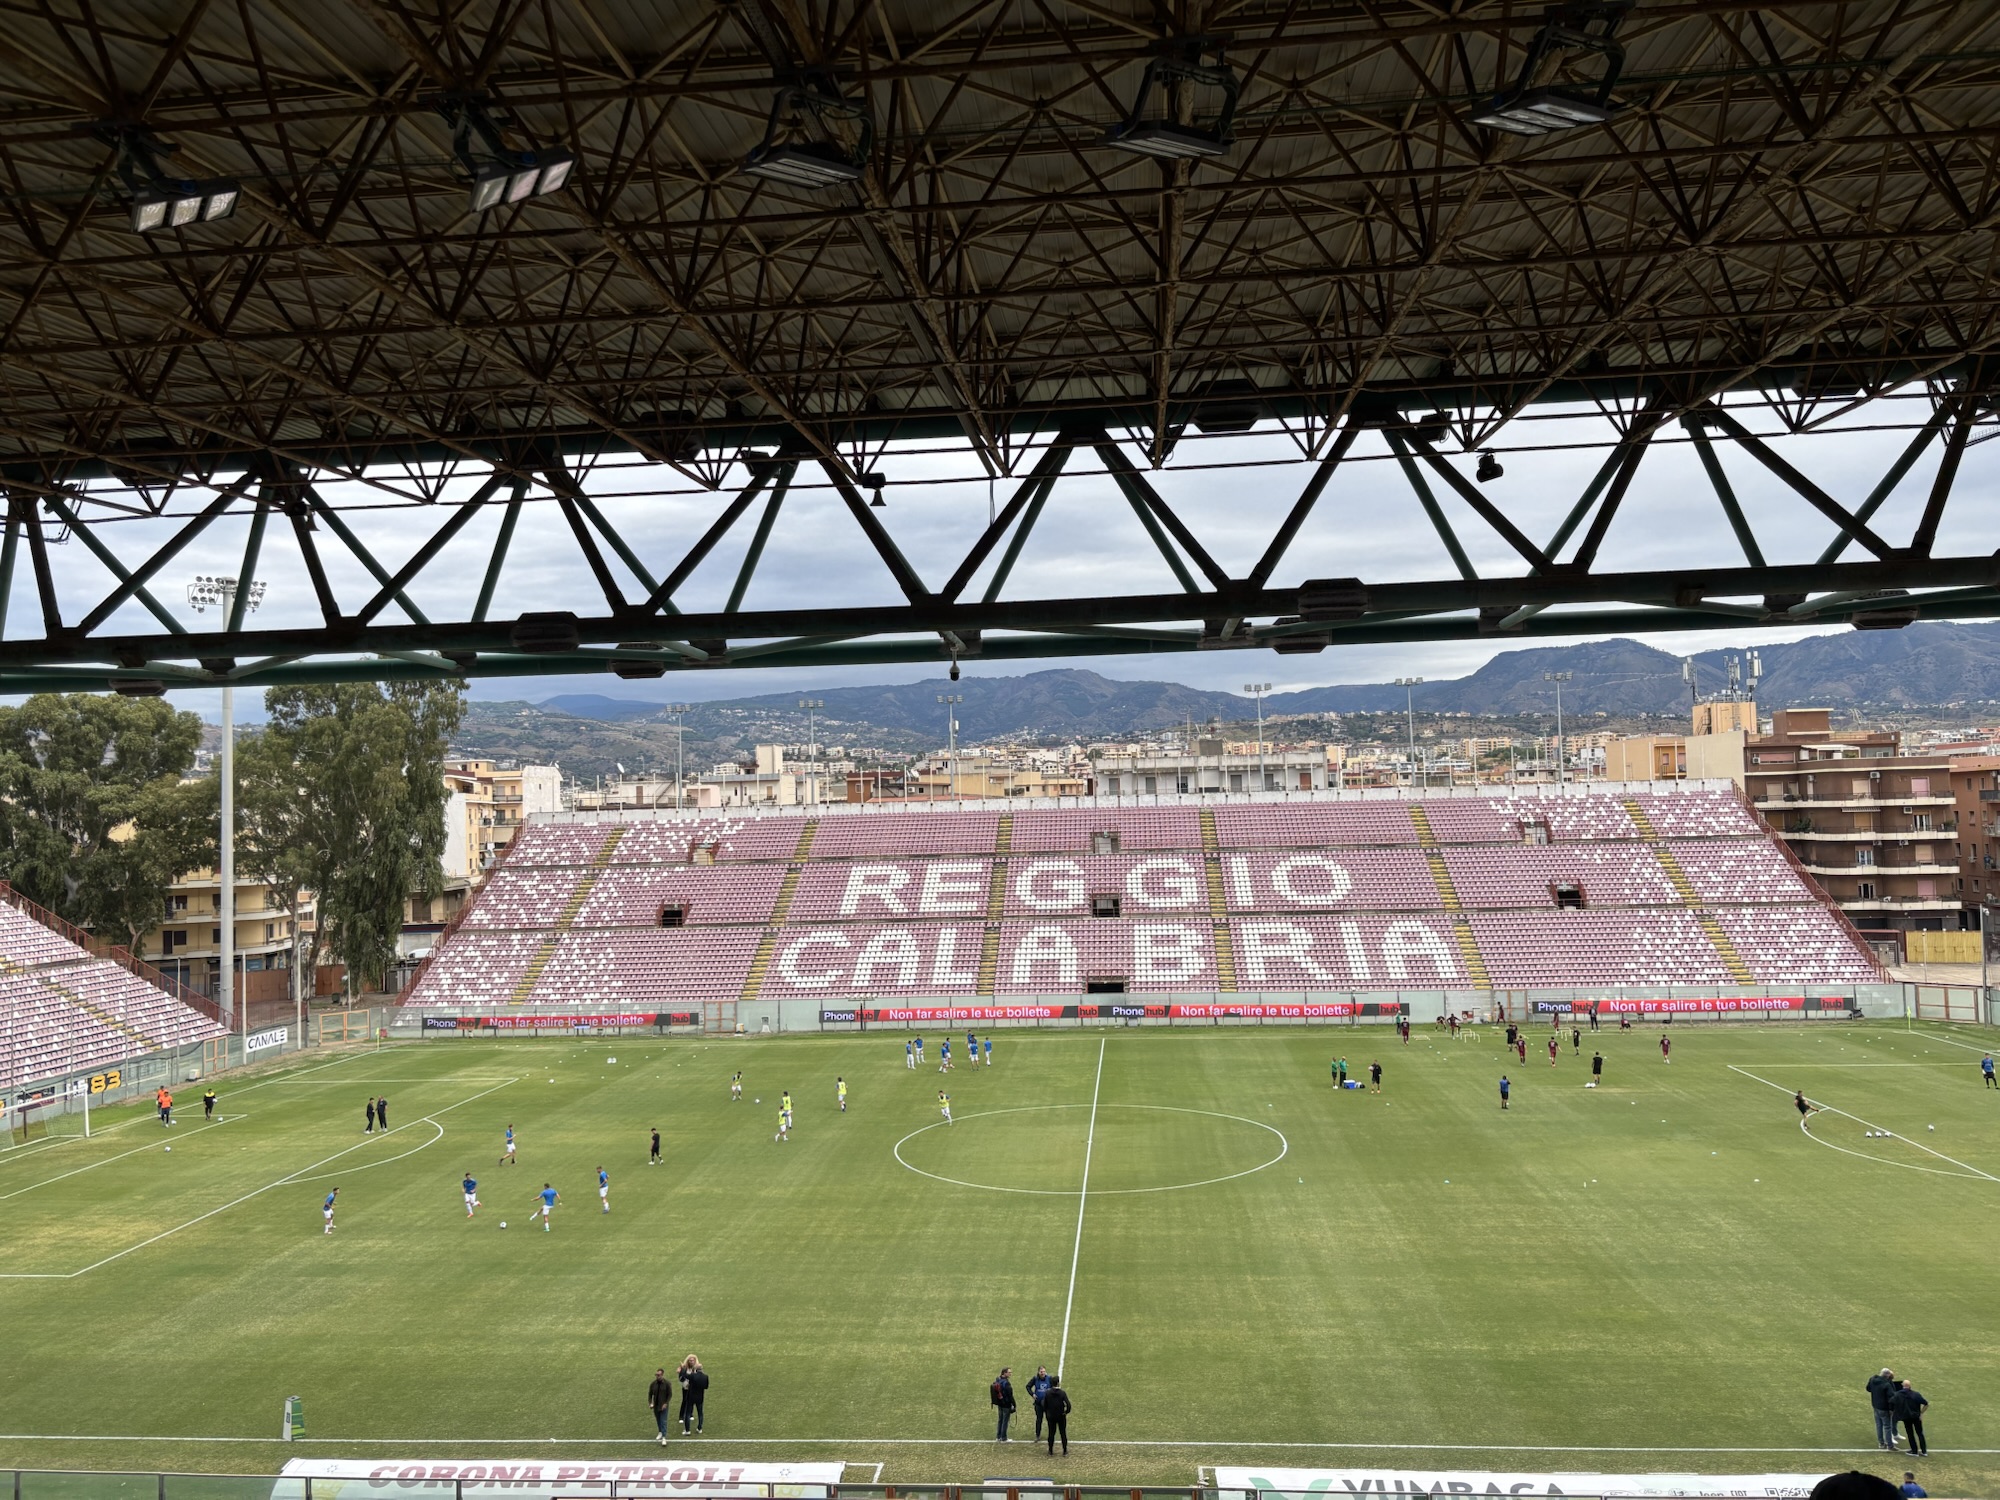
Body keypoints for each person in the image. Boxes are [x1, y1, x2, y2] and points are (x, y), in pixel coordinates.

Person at [1891, 1379, 1928, 1456]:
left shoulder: (1898, 1394)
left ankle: (1914, 1451)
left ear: (1902, 1386)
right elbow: (1926, 1404)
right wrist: (1921, 1413)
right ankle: (1924, 1451)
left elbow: (1891, 1402)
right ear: (1910, 1386)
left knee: (1910, 1434)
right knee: (1920, 1433)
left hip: (1906, 1417)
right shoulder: (1916, 1394)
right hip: (1916, 1417)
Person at [1868, 1369, 1900, 1451]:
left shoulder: (1872, 1379)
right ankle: (1890, 1445)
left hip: (1875, 1405)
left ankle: (1881, 1443)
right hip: (1884, 1408)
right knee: (1887, 1427)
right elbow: (1892, 1398)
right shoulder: (1886, 1384)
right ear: (1888, 1376)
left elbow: (1868, 1389)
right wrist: (1891, 1409)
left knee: (1879, 1425)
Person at [678, 1355, 708, 1435]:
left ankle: (687, 1430)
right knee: (700, 1413)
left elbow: (684, 1376)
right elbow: (706, 1387)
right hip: (700, 1397)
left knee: (687, 1413)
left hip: (691, 1396)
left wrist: (682, 1369)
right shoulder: (705, 1377)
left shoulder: (692, 1376)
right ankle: (699, 1428)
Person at [1043, 1376, 1070, 1455]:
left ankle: (1050, 1450)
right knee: (1063, 1433)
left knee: (1051, 1433)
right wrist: (1066, 1412)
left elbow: (1044, 1405)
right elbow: (1068, 1405)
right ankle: (1065, 1450)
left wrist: (1047, 1413)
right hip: (1061, 1416)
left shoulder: (1047, 1393)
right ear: (1058, 1383)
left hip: (1051, 1416)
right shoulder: (1062, 1393)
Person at [648, 1367, 675, 1445]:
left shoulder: (667, 1383)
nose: (657, 1376)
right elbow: (650, 1394)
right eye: (656, 1375)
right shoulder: (653, 1384)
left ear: (662, 1375)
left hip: (663, 1406)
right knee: (658, 1420)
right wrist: (650, 1403)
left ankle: (664, 1437)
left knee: (663, 1421)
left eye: (659, 1375)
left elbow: (669, 1395)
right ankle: (660, 1432)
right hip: (656, 1405)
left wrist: (666, 1403)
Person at [1027, 1366, 1053, 1439]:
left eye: (1044, 1371)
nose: (1043, 1373)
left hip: (1048, 1404)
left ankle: (1051, 1435)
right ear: (1038, 1372)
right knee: (1039, 1419)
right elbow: (1028, 1386)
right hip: (1038, 1403)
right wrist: (1032, 1394)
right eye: (1041, 1372)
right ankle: (1037, 1435)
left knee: (1049, 1419)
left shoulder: (1049, 1378)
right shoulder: (1035, 1379)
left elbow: (1054, 1387)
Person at [992, 1366, 1017, 1441]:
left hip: (1000, 1403)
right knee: (1005, 1421)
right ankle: (1004, 1437)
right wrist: (1014, 1404)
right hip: (1006, 1404)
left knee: (1000, 1420)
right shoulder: (1006, 1383)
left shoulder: (998, 1379)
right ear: (1004, 1373)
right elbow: (1010, 1395)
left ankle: (998, 1436)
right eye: (1009, 1372)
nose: (1010, 1374)